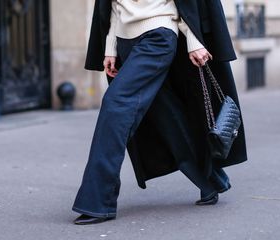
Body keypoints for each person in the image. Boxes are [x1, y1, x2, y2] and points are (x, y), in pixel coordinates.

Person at [72, 0, 247, 225]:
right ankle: (209, 180)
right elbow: (112, 5)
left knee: (115, 105)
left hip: (158, 36)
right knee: (166, 116)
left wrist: (194, 39)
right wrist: (110, 48)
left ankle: (97, 200)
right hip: (125, 43)